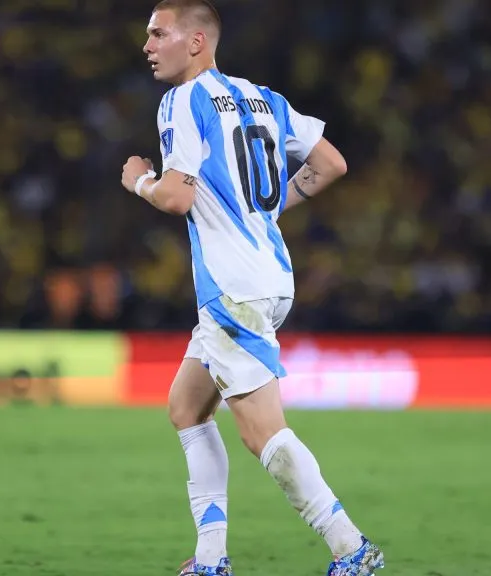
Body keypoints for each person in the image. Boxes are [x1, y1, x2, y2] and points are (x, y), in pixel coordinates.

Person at [119, 1, 385, 574]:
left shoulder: (182, 100)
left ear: (195, 42)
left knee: (263, 431)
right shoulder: (263, 97)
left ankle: (352, 548)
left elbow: (177, 196)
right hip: (269, 277)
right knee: (187, 408)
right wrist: (260, 212)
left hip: (233, 285)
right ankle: (211, 560)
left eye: (157, 33)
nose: (147, 45)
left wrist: (138, 178)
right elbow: (331, 163)